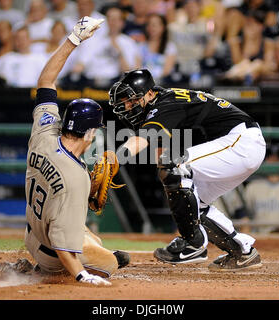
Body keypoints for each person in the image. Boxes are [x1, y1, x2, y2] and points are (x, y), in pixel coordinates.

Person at [109, 69, 266, 270]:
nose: (127, 106)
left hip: (241, 143)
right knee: (195, 204)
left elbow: (143, 141)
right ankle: (242, 252)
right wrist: (175, 187)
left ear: (149, 94)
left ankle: (193, 245)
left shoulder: (167, 103)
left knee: (175, 166)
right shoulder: (159, 105)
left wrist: (112, 161)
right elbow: (161, 151)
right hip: (237, 146)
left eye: (131, 100)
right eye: (124, 101)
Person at [16, 16, 129, 285]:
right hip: (51, 253)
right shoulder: (76, 177)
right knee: (111, 262)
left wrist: (73, 39)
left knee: (92, 238)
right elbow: (63, 246)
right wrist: (82, 275)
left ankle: (43, 264)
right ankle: (42, 273)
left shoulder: (45, 131)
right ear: (90, 132)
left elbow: (45, 80)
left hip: (31, 234)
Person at [71, 5, 141, 87]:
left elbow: (128, 72)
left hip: (114, 84)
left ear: (122, 22)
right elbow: (80, 64)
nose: (112, 22)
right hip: (90, 83)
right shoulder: (93, 40)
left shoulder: (128, 43)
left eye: (115, 19)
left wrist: (118, 52)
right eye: (110, 19)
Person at [140, 14, 177, 84]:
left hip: (163, 84)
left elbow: (167, 71)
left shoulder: (170, 47)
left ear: (163, 27)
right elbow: (137, 68)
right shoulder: (141, 47)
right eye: (149, 25)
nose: (152, 28)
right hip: (144, 85)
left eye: (155, 25)